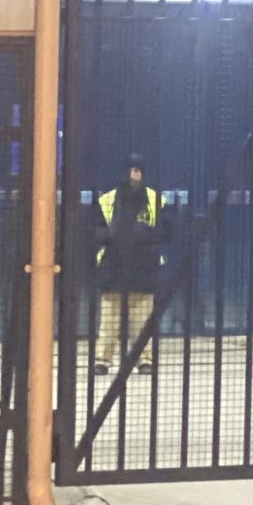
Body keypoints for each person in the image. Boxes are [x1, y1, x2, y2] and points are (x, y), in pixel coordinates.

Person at [93, 156, 166, 376]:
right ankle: (102, 360)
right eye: (132, 170)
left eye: (138, 170)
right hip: (113, 267)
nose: (135, 174)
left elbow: (167, 230)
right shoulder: (106, 200)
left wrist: (147, 234)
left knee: (143, 321)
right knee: (109, 321)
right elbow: (93, 230)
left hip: (144, 269)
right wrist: (108, 235)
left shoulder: (155, 199)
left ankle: (144, 360)